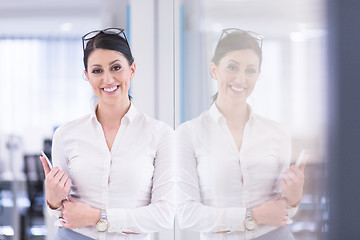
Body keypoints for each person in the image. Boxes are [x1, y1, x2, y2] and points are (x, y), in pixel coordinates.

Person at [40, 28, 175, 240]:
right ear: (87, 76)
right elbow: (61, 213)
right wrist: (52, 200)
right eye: (97, 71)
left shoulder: (160, 135)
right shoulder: (67, 135)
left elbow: (164, 215)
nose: (108, 79)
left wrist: (97, 217)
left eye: (116, 67)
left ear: (132, 69)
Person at [176, 28, 305, 240]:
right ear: (214, 69)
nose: (240, 78)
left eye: (250, 70)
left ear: (258, 75)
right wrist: (252, 216)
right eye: (232, 67)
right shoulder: (188, 134)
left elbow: (282, 212)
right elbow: (187, 215)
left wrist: (294, 198)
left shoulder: (277, 133)